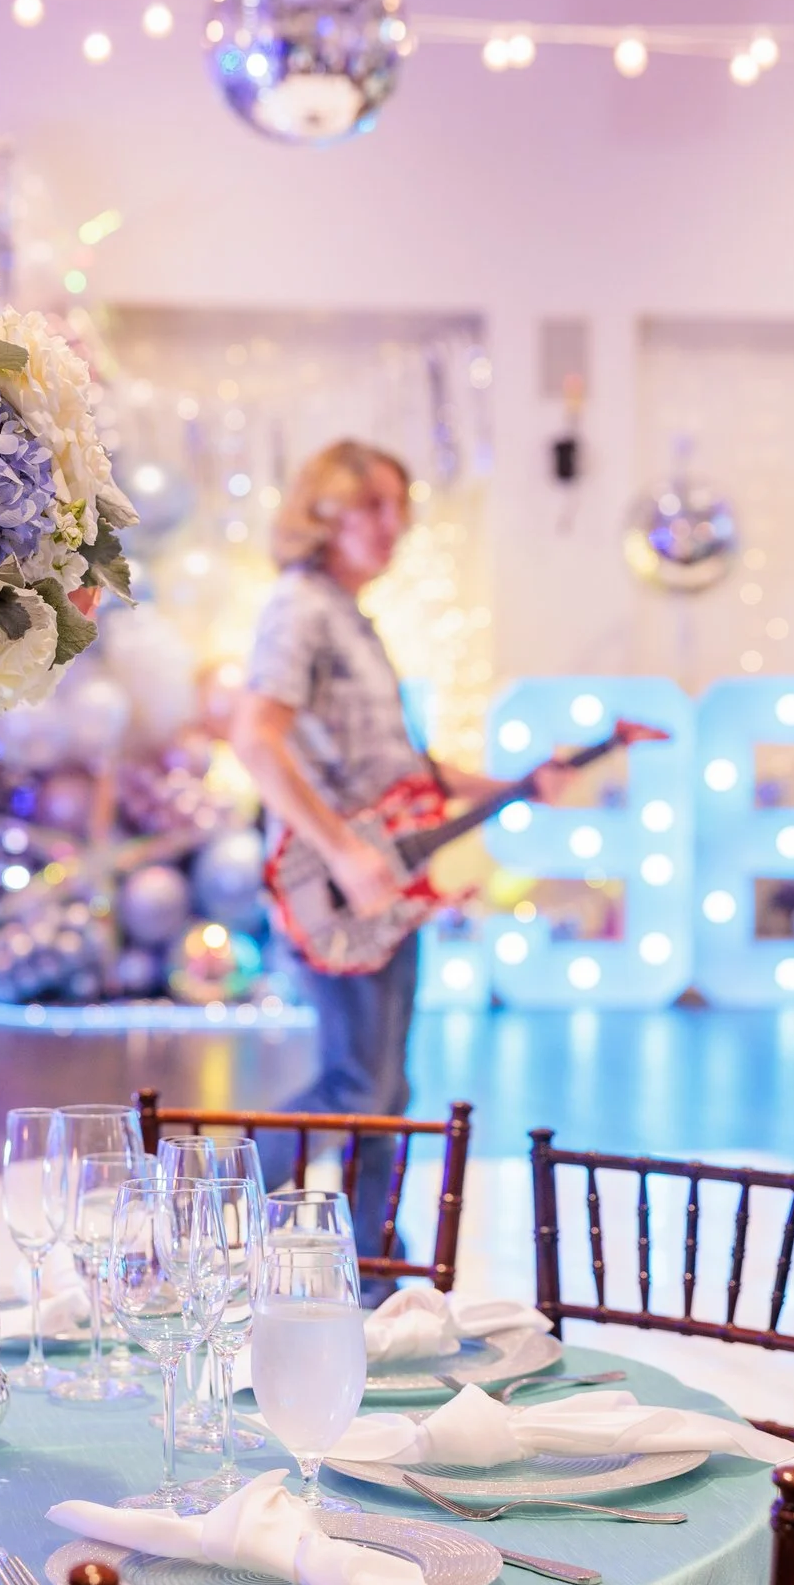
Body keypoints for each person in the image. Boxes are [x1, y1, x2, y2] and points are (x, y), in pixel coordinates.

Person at [232, 440, 540, 1272]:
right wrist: (341, 851)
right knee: (357, 1086)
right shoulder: (301, 606)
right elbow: (255, 737)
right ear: (323, 509)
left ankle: (373, 1259)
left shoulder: (351, 615)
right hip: (338, 885)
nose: (393, 523)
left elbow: (404, 770)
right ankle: (201, 1204)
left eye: (399, 506)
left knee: (387, 1090)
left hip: (386, 881)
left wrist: (513, 786)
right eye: (371, 504)